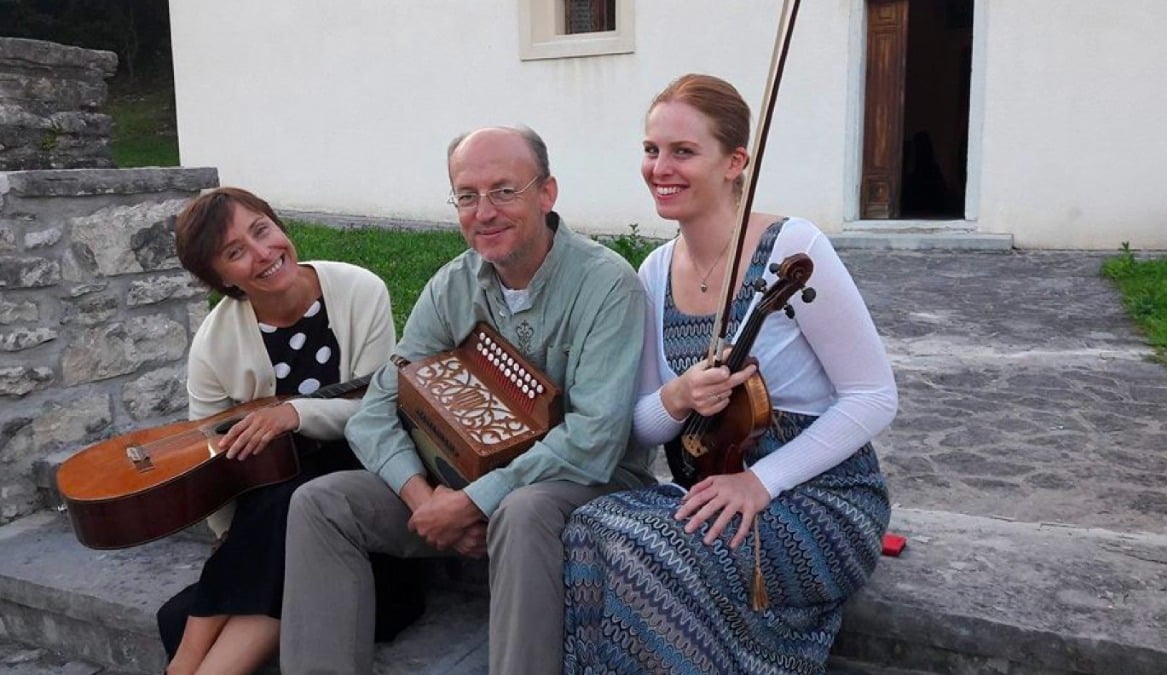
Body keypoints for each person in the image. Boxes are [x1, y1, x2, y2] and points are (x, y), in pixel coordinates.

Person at [279, 126, 654, 675]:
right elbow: (379, 406)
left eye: (505, 191)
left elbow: (595, 438)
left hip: (588, 486)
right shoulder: (452, 285)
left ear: (546, 193)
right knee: (321, 503)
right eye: (467, 195)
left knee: (523, 511)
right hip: (457, 485)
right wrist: (425, 501)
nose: (485, 212)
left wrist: (473, 502)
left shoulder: (605, 284)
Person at [562, 74, 898, 674]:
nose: (659, 167)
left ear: (734, 161)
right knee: (588, 530)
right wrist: (677, 394)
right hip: (715, 486)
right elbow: (641, 426)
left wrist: (761, 482)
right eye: (651, 149)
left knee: (652, 548)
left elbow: (873, 396)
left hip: (822, 499)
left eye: (683, 151)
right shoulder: (656, 270)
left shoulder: (794, 247)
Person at [158, 187, 428, 674]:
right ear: (220, 278)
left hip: (362, 504)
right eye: (235, 252)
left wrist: (296, 414)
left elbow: (380, 409)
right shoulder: (214, 344)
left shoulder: (358, 291)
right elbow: (212, 458)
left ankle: (185, 668)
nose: (263, 253)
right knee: (178, 614)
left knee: (294, 501)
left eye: (261, 230)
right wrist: (230, 543)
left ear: (278, 225)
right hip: (269, 525)